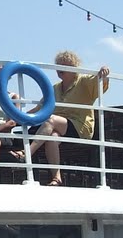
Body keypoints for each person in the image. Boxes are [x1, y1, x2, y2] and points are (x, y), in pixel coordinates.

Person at [6, 50, 110, 187]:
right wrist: (18, 118)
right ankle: (56, 178)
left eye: (63, 65)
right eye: (58, 65)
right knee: (52, 138)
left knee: (51, 120)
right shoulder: (54, 88)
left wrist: (104, 72)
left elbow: (100, 83)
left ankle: (26, 154)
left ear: (73, 67)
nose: (59, 68)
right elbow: (39, 108)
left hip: (79, 127)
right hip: (58, 127)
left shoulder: (84, 81)